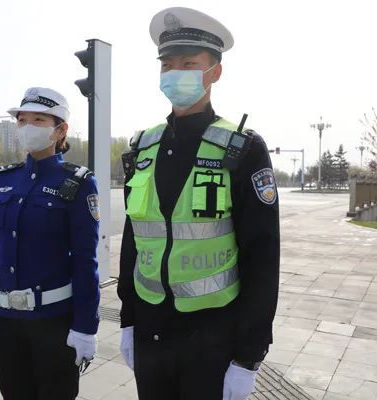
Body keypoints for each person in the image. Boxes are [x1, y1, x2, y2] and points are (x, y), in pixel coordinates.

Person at [117, 7, 280, 400]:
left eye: (189, 63)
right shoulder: (144, 147)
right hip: (151, 333)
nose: (176, 73)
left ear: (215, 73)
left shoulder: (242, 149)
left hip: (212, 340)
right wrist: (127, 320)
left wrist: (249, 355)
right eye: (167, 65)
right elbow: (133, 240)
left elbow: (262, 256)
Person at [0, 87, 100, 400]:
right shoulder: (5, 179)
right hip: (5, 323)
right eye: (22, 120)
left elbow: (86, 260)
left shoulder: (77, 183)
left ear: (60, 130)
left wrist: (86, 327)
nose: (27, 127)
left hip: (53, 325)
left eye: (38, 120)